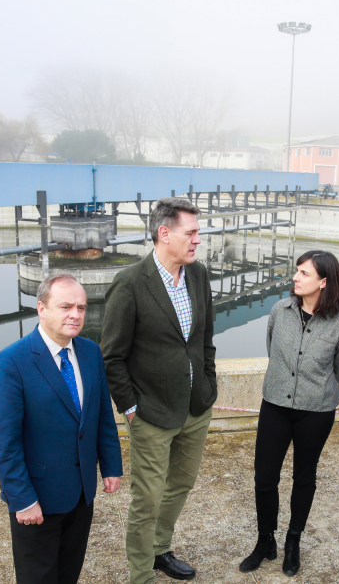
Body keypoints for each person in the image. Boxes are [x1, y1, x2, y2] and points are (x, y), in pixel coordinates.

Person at [101, 196, 217, 584]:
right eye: (192, 232)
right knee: (147, 498)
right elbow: (112, 356)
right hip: (150, 412)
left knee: (181, 482)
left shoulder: (198, 275)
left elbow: (205, 341)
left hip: (195, 407)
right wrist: (130, 408)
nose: (198, 239)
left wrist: (208, 384)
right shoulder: (130, 283)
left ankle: (159, 550)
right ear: (164, 233)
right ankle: (141, 575)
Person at [0, 274, 124, 584]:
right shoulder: (10, 363)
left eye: (81, 307)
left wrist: (111, 466)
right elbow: (5, 442)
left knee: (67, 574)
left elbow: (101, 416)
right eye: (65, 306)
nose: (75, 315)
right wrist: (22, 499)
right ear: (41, 309)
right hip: (37, 499)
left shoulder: (90, 353)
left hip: (80, 494)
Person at [239, 250, 339, 576]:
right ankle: (266, 542)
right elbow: (272, 350)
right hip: (275, 405)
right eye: (297, 271)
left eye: (304, 273)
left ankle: (293, 542)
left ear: (324, 281)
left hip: (316, 412)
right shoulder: (279, 310)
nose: (296, 277)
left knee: (304, 478)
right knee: (264, 478)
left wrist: (311, 389)